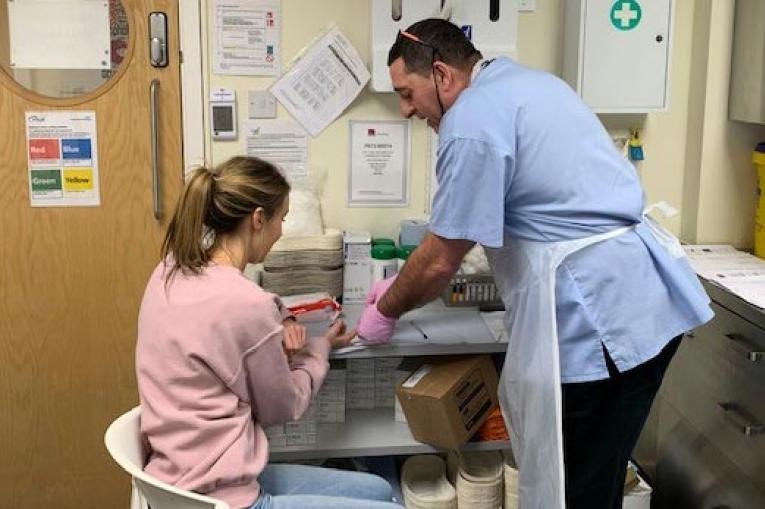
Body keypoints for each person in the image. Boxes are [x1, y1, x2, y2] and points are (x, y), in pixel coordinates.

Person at [356, 19, 713, 509]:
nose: (406, 109)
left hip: (602, 324)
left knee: (578, 486)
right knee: (597, 473)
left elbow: (440, 259)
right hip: (641, 306)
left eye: (406, 93)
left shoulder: (471, 123)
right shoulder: (524, 82)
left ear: (441, 75)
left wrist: (387, 308)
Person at [136, 156, 402, 509]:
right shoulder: (246, 303)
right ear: (258, 219)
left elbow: (236, 317)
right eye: (282, 219)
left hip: (175, 478)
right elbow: (284, 406)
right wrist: (318, 349)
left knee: (380, 491)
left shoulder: (169, 270)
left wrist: (284, 317)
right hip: (228, 497)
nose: (281, 230)